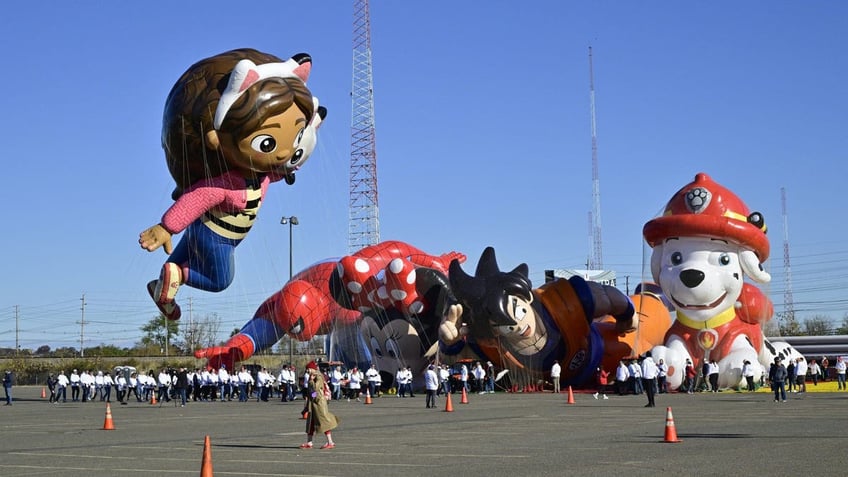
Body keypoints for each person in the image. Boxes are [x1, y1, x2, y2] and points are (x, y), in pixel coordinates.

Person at [140, 50, 322, 323]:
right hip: (218, 239)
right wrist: (167, 226)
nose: (283, 153)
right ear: (214, 136)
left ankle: (162, 289)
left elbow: (278, 172)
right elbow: (199, 196)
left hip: (200, 229)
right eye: (269, 143)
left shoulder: (261, 176)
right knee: (220, 279)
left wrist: (298, 157)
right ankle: (179, 278)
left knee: (177, 261)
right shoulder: (230, 184)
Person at [301, 361, 339, 450]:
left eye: (308, 369)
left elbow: (316, 389)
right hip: (313, 403)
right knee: (310, 423)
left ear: (312, 368)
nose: (307, 371)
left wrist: (311, 381)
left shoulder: (318, 376)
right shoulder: (314, 375)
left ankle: (330, 442)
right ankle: (309, 442)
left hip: (319, 403)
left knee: (323, 422)